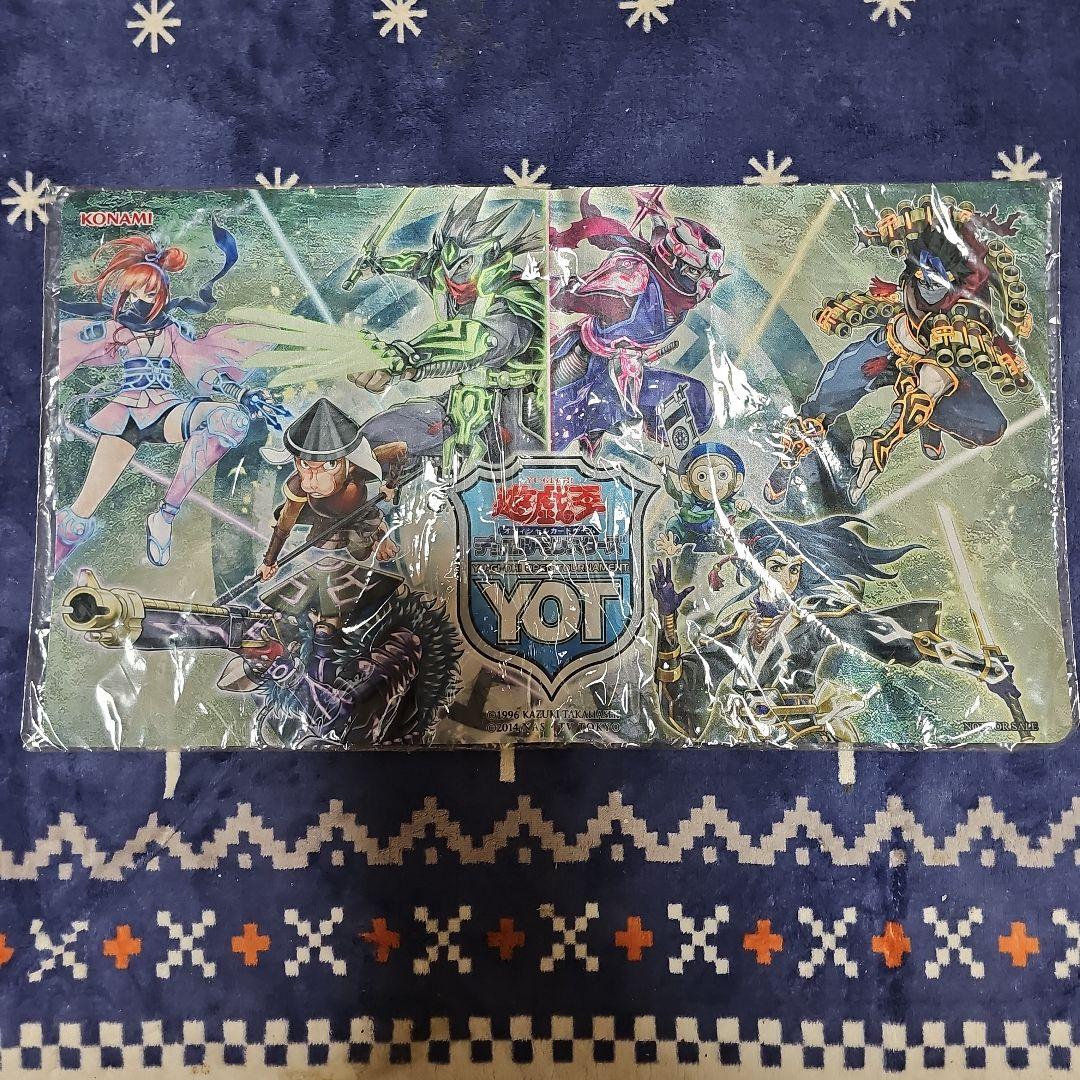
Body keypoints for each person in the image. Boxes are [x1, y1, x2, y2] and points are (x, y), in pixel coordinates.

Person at [54, 221, 286, 567]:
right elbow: (69, 351)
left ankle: (165, 516)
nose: (138, 301)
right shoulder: (114, 330)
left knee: (230, 421)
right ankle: (45, 566)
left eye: (147, 295)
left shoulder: (173, 332)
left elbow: (201, 371)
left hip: (166, 412)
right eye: (132, 294)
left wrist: (240, 393)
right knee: (77, 518)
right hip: (124, 418)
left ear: (161, 295)